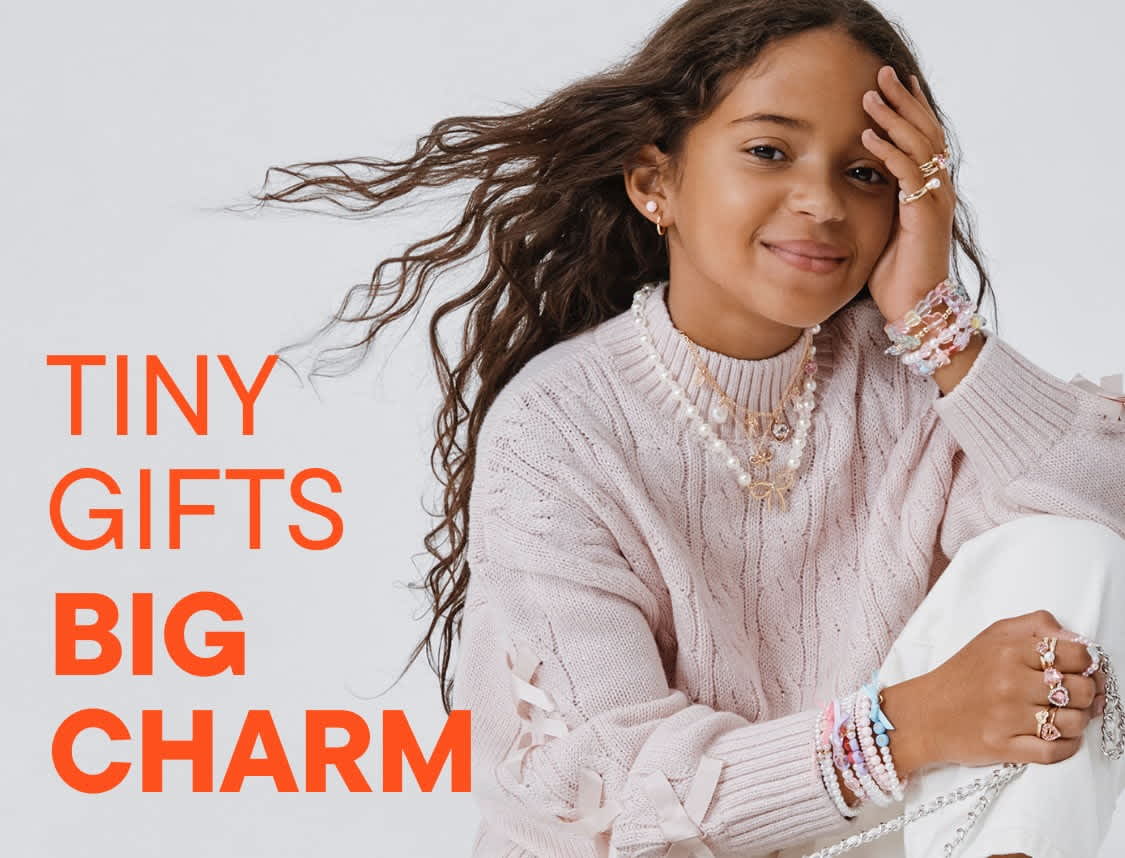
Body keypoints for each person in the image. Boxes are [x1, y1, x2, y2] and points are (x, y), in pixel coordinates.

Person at [251, 1, 1125, 854]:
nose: (821, 202)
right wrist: (905, 727)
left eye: (864, 173)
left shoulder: (908, 381)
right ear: (653, 183)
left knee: (1070, 548)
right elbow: (603, 787)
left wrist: (937, 325)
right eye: (768, 151)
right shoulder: (558, 426)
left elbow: (1100, 520)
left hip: (871, 841)